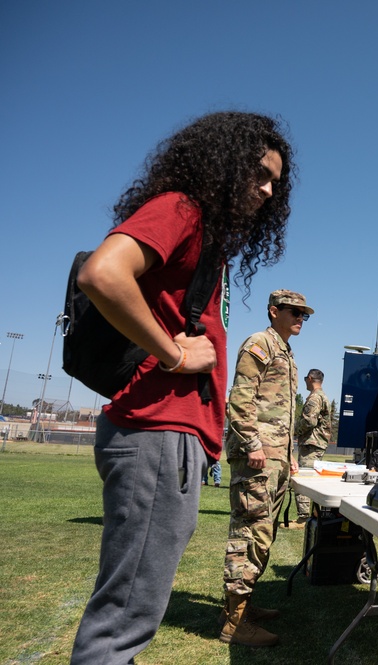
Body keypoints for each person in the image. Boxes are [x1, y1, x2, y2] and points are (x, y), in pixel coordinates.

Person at [70, 111, 294, 665]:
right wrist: (172, 353)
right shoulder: (182, 209)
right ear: (223, 166)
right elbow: (102, 273)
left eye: (276, 182)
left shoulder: (205, 234)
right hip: (157, 431)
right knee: (124, 619)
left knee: (134, 607)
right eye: (259, 174)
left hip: (171, 437)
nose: (268, 191)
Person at [219, 289, 312, 647]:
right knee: (250, 534)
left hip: (274, 457)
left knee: (263, 533)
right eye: (294, 311)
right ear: (274, 311)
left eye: (304, 314)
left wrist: (288, 454)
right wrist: (253, 444)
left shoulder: (285, 350)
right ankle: (234, 623)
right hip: (256, 457)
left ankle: (242, 608)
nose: (300, 318)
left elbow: (279, 410)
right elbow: (240, 398)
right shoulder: (260, 343)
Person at [286, 368, 333, 528]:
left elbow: (309, 422)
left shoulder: (315, 398)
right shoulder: (322, 396)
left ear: (311, 378)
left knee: (304, 479)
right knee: (311, 480)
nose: (304, 381)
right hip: (317, 443)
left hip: (312, 443)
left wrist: (292, 430)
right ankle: (312, 515)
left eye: (306, 378)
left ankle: (303, 518)